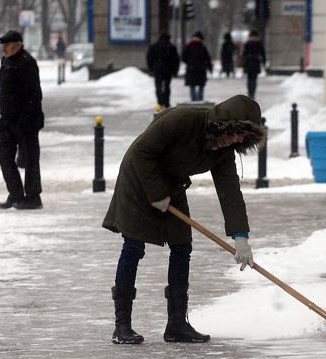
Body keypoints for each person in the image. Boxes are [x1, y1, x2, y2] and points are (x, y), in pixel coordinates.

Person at [102, 95, 266, 344]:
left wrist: (240, 236)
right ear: (225, 125)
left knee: (182, 246)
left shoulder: (224, 150)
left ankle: (176, 324)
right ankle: (122, 326)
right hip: (137, 181)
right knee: (133, 247)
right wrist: (156, 193)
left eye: (246, 137)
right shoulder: (183, 120)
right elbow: (141, 152)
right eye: (239, 133)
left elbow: (230, 191)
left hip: (172, 187)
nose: (241, 140)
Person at [0, 29, 45, 210]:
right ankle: (15, 193)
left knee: (30, 159)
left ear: (17, 45)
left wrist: (24, 121)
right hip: (7, 120)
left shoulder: (27, 63)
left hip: (27, 122)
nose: (4, 49)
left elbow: (34, 95)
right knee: (3, 154)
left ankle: (33, 197)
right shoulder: (6, 61)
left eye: (7, 45)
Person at [146, 32, 180, 109]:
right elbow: (176, 60)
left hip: (157, 69)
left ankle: (159, 102)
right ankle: (166, 103)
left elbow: (149, 58)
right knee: (167, 86)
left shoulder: (154, 46)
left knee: (158, 86)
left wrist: (151, 68)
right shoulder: (171, 47)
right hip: (168, 70)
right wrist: (175, 71)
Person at [181, 31, 213, 102]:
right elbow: (207, 59)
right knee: (201, 85)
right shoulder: (202, 47)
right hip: (201, 69)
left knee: (192, 85)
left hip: (191, 69)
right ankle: (200, 101)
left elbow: (183, 57)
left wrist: (189, 63)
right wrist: (210, 68)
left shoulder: (188, 46)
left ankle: (193, 101)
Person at [241, 30, 266, 100]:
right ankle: (252, 93)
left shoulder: (248, 44)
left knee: (250, 79)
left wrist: (244, 64)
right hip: (254, 63)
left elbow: (244, 55)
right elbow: (263, 54)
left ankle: (250, 93)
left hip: (250, 64)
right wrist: (263, 62)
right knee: (253, 79)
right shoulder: (258, 44)